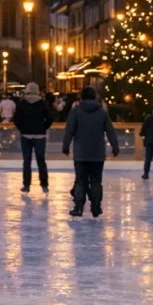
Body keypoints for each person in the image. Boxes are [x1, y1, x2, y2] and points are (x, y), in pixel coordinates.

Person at [62, 86, 119, 218]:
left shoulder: (75, 112)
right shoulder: (102, 113)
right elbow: (110, 131)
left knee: (81, 180)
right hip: (97, 152)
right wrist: (115, 147)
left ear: (81, 97)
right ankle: (96, 207)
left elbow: (69, 130)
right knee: (96, 181)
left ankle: (78, 207)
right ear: (95, 97)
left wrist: (66, 146)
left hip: (81, 152)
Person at [14, 81, 53, 193]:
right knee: (41, 160)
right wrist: (42, 128)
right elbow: (49, 118)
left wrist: (22, 129)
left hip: (26, 135)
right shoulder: (43, 103)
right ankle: (44, 184)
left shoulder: (22, 103)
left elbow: (17, 119)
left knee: (27, 160)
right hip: (40, 135)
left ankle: (26, 185)